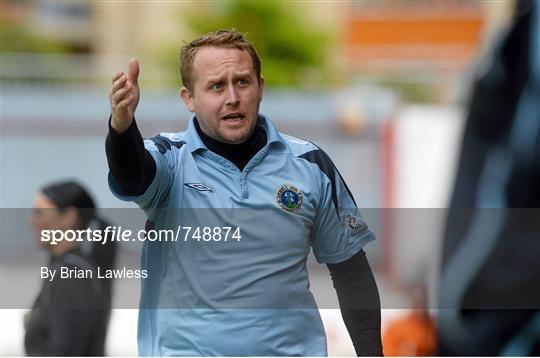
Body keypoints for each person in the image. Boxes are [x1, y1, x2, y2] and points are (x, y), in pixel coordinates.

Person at [106, 29, 382, 356]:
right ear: (189, 98)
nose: (232, 97)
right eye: (216, 86)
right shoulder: (170, 158)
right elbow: (132, 177)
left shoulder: (310, 164)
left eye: (242, 82)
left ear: (260, 87)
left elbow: (351, 272)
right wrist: (122, 128)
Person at [24, 181, 116, 356]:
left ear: (69, 217)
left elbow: (67, 350)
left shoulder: (71, 275)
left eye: (39, 213)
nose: (31, 221)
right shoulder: (67, 269)